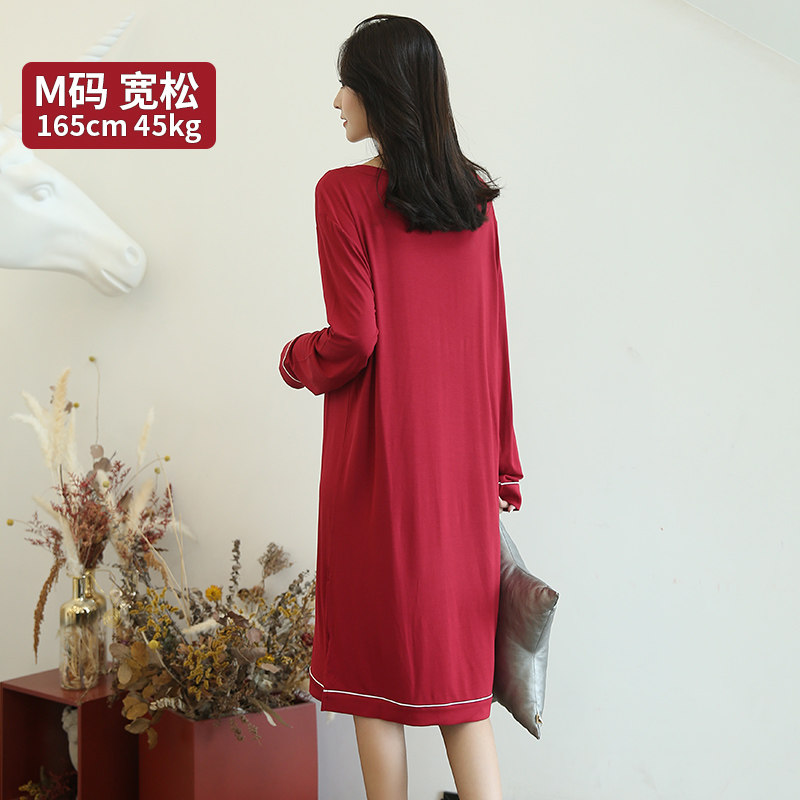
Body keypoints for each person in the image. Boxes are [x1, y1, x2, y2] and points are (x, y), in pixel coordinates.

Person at [279, 14, 523, 800]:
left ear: (378, 93)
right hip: (460, 487)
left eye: (346, 83)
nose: (337, 101)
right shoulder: (476, 203)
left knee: (371, 685)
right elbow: (492, 344)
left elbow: (354, 338)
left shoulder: (342, 193)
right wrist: (502, 464)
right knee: (462, 698)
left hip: (378, 479)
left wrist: (296, 358)